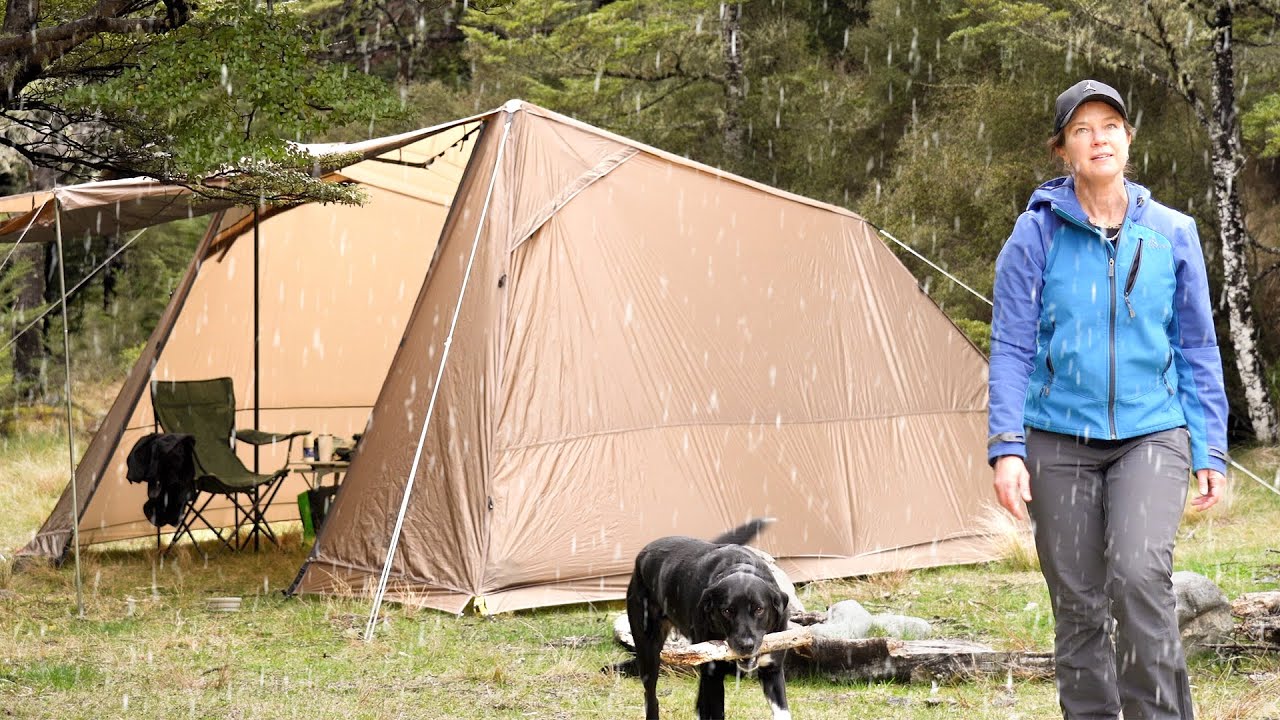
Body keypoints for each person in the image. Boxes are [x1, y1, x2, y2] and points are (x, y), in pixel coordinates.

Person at [987, 78, 1229, 720]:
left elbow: (1198, 347)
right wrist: (1007, 447)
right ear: (1062, 150)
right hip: (1057, 438)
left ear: (1128, 138)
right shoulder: (1034, 235)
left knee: (1138, 577)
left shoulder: (1172, 232)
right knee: (1078, 603)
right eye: (1082, 130)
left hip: (1153, 432)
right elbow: (1010, 345)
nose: (1099, 139)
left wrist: (1211, 447)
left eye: (1111, 126)